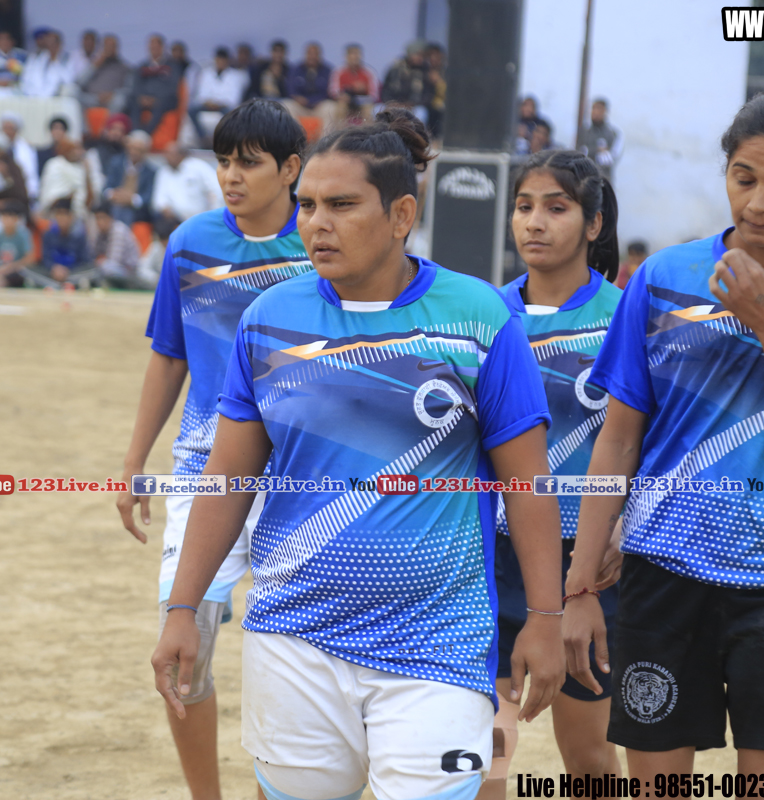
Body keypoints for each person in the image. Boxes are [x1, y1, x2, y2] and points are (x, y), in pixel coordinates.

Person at [151, 107, 566, 800]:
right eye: (308, 205)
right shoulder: (269, 320)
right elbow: (226, 481)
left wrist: (547, 618)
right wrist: (181, 608)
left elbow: (528, 486)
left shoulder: (480, 317)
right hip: (294, 636)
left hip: (438, 641)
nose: (317, 223)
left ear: (401, 214)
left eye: (342, 205)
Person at [563, 91, 764, 783]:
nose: (759, 202)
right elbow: (617, 441)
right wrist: (581, 586)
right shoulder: (663, 279)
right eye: (744, 178)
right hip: (662, 574)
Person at [119, 99, 312, 800]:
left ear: (290, 170)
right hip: (205, 471)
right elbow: (168, 355)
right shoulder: (189, 243)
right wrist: (134, 462)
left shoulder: (323, 246)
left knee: (296, 664)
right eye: (224, 161)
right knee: (181, 652)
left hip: (301, 478)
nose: (231, 176)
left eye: (248, 163)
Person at [479, 150, 625, 799]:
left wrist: (621, 526)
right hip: (490, 554)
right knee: (484, 752)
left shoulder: (627, 316)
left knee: (589, 756)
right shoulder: (483, 314)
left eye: (556, 208)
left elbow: (648, 441)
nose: (534, 222)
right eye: (524, 206)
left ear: (594, 223)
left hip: (588, 564)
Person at [189, 46, 247, 146]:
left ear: (227, 61)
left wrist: (218, 103)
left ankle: (225, 140)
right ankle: (203, 138)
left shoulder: (235, 76)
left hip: (223, 106)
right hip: (207, 104)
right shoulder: (206, 73)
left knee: (231, 113)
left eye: (223, 60)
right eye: (218, 60)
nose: (220, 63)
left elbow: (234, 98)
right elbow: (201, 94)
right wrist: (208, 102)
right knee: (191, 109)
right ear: (215, 60)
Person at [151, 142, 221, 223]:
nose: (167, 157)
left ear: (181, 155)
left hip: (200, 218)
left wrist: (213, 210)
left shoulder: (198, 167)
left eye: (171, 154)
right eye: (166, 154)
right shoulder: (163, 172)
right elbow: (159, 199)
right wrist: (165, 208)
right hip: (175, 220)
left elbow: (216, 187)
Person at [29, 197, 91, 287]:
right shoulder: (48, 234)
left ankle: (56, 283)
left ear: (71, 216)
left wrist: (66, 270)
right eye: (59, 214)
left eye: (65, 214)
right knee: (29, 269)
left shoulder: (79, 235)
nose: (62, 218)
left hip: (72, 272)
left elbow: (84, 259)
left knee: (92, 270)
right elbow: (45, 258)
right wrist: (54, 268)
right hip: (52, 272)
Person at [38, 137, 103, 220]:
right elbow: (49, 195)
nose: (79, 152)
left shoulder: (84, 166)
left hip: (79, 216)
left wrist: (87, 173)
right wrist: (67, 196)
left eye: (80, 149)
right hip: (55, 215)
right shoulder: (55, 165)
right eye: (75, 149)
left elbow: (92, 194)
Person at [87, 200, 145, 288]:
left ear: (111, 217)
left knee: (105, 267)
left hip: (130, 273)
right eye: (97, 218)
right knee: (95, 267)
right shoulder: (99, 233)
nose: (100, 222)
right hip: (114, 270)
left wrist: (99, 261)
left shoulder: (118, 231)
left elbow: (114, 261)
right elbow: (93, 256)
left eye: (102, 218)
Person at [128, 33, 178, 135]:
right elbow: (136, 84)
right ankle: (135, 132)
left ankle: (147, 134)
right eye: (151, 45)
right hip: (144, 98)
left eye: (156, 45)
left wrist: (155, 99)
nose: (153, 48)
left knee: (161, 103)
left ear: (162, 47)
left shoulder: (172, 66)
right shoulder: (142, 66)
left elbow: (172, 87)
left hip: (163, 99)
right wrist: (142, 97)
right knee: (131, 100)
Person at [284, 41, 339, 133]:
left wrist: (313, 100)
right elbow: (290, 89)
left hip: (319, 106)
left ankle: (325, 140)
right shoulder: (295, 69)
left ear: (320, 55)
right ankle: (296, 138)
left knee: (331, 107)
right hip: (300, 106)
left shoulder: (327, 70)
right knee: (287, 105)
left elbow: (329, 91)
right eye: (310, 53)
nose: (312, 56)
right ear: (305, 54)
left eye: (315, 54)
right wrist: (298, 98)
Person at [76, 33, 131, 114]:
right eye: (107, 46)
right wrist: (96, 65)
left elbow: (128, 89)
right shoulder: (94, 64)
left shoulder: (124, 67)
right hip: (92, 99)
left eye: (112, 46)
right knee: (72, 93)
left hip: (112, 99)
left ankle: (109, 123)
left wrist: (113, 94)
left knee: (120, 100)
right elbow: (79, 82)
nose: (109, 49)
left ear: (117, 48)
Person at [380, 40, 430, 124]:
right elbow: (385, 90)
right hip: (393, 104)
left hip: (415, 106)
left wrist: (412, 103)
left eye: (423, 55)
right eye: (418, 55)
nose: (420, 58)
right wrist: (391, 102)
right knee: (376, 110)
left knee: (421, 113)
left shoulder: (425, 71)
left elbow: (427, 94)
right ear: (410, 54)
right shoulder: (395, 69)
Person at [329, 43, 379, 123]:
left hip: (363, 102)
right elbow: (333, 91)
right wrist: (342, 96)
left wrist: (364, 90)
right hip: (345, 102)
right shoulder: (338, 72)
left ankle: (368, 130)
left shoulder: (369, 72)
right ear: (346, 57)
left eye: (357, 54)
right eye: (352, 54)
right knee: (340, 108)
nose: (355, 57)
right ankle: (340, 130)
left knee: (369, 110)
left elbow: (374, 95)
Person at [578, 98, 623, 185]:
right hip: (584, 180)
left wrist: (593, 152)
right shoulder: (584, 132)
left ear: (605, 112)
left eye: (599, 109)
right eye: (593, 109)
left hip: (604, 181)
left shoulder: (613, 134)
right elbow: (580, 152)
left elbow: (610, 157)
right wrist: (596, 150)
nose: (595, 112)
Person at [20, 28, 73, 98]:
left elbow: (68, 80)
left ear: (59, 44)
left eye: (53, 43)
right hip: (34, 96)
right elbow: (26, 78)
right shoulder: (37, 57)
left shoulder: (66, 58)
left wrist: (55, 61)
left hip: (57, 98)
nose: (51, 46)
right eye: (48, 43)